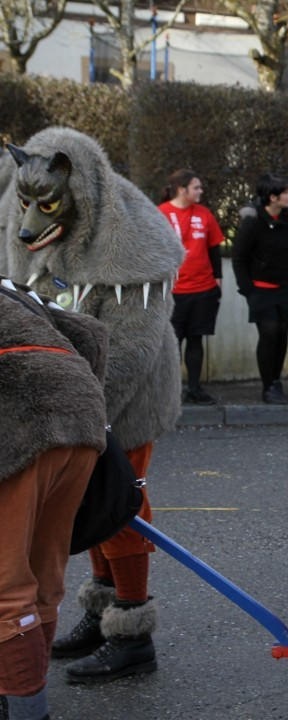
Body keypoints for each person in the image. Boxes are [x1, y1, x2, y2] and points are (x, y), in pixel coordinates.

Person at [2, 128, 184, 686]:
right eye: (24, 204)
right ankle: (103, 614)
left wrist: (87, 416)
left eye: (46, 203)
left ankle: (134, 633)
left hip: (124, 403)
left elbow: (131, 346)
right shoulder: (48, 228)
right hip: (70, 399)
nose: (31, 218)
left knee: (121, 505)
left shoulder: (134, 243)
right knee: (89, 509)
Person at [0, 278, 107, 720]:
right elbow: (91, 334)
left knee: (4, 588)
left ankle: (25, 710)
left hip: (19, 417)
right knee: (43, 578)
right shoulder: (13, 288)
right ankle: (20, 693)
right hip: (82, 413)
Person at [232, 173, 288, 404]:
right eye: (287, 192)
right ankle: (268, 386)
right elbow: (239, 257)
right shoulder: (253, 222)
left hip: (285, 285)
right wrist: (247, 289)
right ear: (272, 197)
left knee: (282, 333)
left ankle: (276, 381)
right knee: (268, 333)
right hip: (260, 288)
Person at [158, 169, 225, 405]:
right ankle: (169, 392)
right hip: (174, 291)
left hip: (203, 288)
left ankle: (194, 389)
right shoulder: (161, 214)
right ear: (182, 189)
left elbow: (214, 249)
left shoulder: (204, 214)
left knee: (196, 340)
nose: (200, 191)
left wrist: (218, 279)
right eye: (196, 187)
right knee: (173, 343)